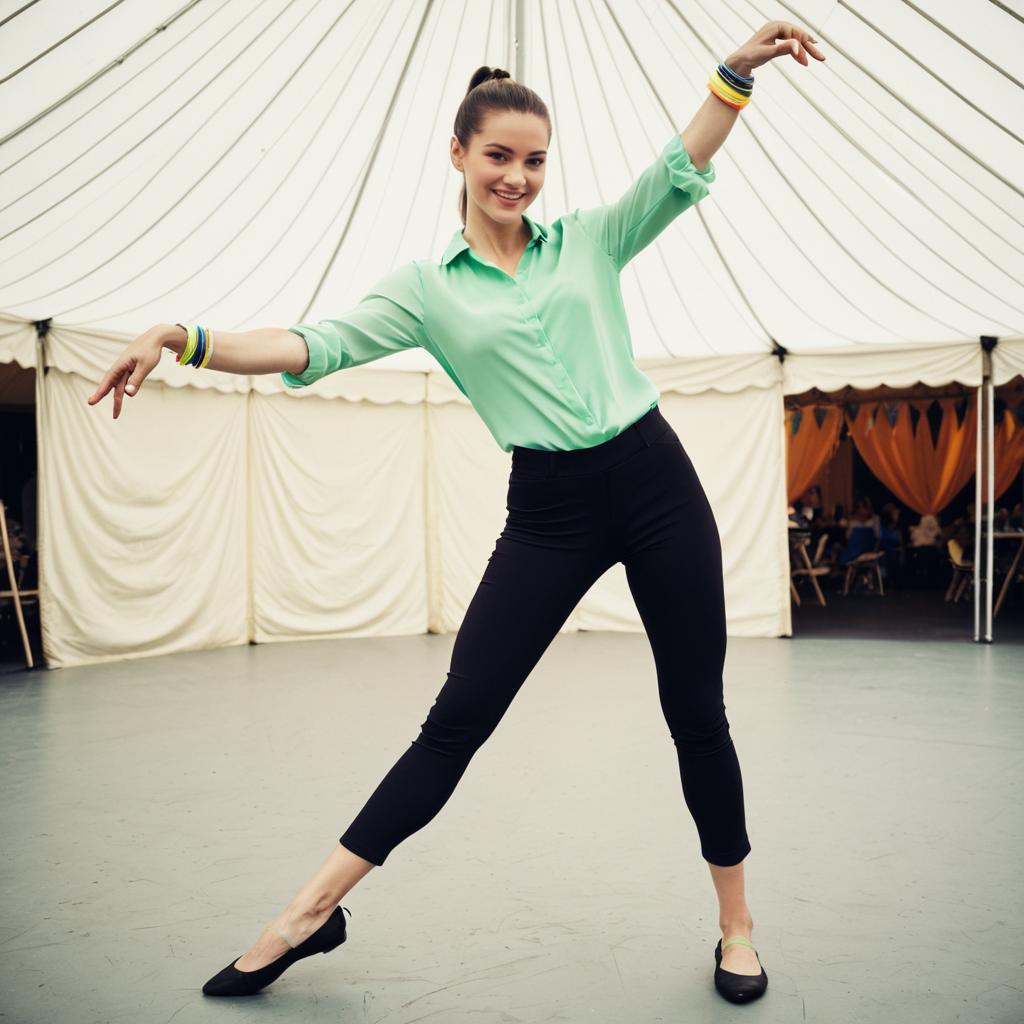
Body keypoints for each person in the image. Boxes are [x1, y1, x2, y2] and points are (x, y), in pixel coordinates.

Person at [87, 23, 826, 1006]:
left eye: (533, 161)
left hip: (654, 483)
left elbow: (679, 161)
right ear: (458, 154)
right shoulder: (427, 292)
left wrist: (735, 71)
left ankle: (735, 923)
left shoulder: (592, 240)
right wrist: (181, 337)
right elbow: (309, 345)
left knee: (695, 710)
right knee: (456, 719)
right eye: (498, 157)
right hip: (550, 509)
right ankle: (310, 913)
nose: (517, 177)